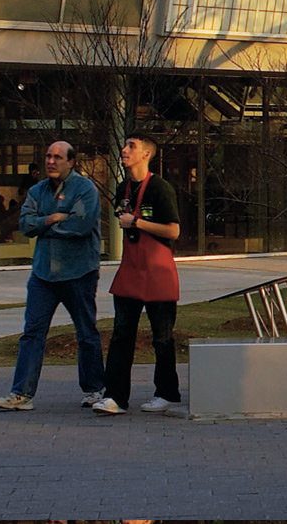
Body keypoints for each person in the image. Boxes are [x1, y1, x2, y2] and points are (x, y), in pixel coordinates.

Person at [0, 139, 104, 411]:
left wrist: (46, 224)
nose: (51, 161)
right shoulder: (37, 190)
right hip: (43, 275)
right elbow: (26, 225)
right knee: (32, 333)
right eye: (48, 156)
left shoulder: (85, 189)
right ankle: (21, 394)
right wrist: (52, 219)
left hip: (78, 273)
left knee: (86, 333)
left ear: (71, 162)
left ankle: (94, 390)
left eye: (57, 157)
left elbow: (80, 226)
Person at [97, 133, 184, 415]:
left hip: (158, 272)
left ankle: (168, 393)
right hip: (131, 271)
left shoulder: (160, 189)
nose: (124, 150)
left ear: (146, 154)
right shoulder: (123, 188)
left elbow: (173, 231)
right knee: (122, 335)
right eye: (124, 145)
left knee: (162, 338)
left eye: (131, 146)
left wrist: (138, 222)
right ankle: (115, 397)